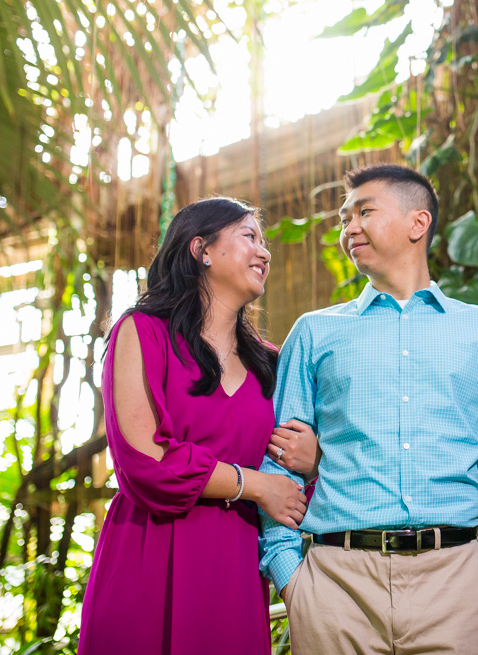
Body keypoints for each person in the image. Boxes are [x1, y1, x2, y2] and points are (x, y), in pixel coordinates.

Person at [259, 164, 478, 655]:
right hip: (336, 584)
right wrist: (290, 579)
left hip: (453, 583)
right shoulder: (314, 333)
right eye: (343, 219)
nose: (348, 228)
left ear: (417, 223)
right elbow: (278, 460)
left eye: (364, 212)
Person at [78, 197, 318, 655]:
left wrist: (312, 458)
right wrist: (255, 485)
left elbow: (301, 466)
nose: (264, 252)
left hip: (236, 569)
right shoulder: (141, 330)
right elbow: (145, 461)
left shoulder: (273, 362)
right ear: (201, 249)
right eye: (250, 237)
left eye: (264, 242)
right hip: (148, 554)